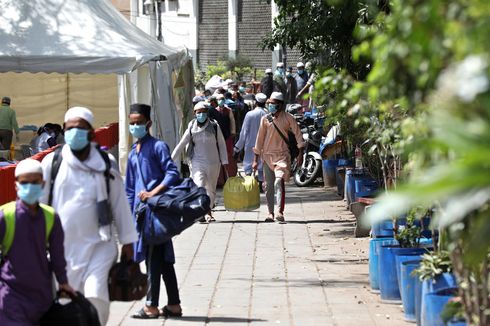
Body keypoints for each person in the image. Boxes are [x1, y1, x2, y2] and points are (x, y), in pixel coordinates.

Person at [40, 106, 138, 325]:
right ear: (64, 130)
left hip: (99, 246)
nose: (75, 132)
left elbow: (119, 205)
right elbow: (40, 206)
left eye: (80, 128)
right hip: (61, 251)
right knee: (65, 306)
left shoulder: (105, 163)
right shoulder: (52, 163)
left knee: (97, 298)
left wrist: (128, 243)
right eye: (70, 128)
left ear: (91, 132)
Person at [0, 159, 75, 325]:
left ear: (43, 184)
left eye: (35, 182)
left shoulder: (51, 217)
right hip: (11, 297)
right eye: (25, 183)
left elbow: (57, 255)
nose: (30, 186)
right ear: (16, 185)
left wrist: (63, 282)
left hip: (42, 298)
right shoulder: (5, 215)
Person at [125, 103, 183, 319]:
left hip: (157, 213)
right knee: (164, 259)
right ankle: (174, 304)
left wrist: (152, 192)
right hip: (142, 216)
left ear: (148, 123)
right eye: (132, 123)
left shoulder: (158, 146)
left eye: (139, 123)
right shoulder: (132, 153)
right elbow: (130, 189)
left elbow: (172, 173)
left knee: (153, 259)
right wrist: (129, 219)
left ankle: (151, 306)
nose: (135, 126)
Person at [253, 92, 305, 223]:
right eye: (269, 103)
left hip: (282, 156)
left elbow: (299, 136)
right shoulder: (265, 119)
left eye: (274, 104)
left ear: (280, 105)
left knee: (278, 182)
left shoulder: (288, 118)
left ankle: (280, 212)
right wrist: (255, 159)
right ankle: (270, 213)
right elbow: (259, 139)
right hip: (267, 156)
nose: (271, 106)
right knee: (268, 186)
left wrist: (300, 154)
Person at [172, 102, 228, 222]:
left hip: (213, 162)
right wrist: (171, 159)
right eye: (199, 112)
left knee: (211, 190)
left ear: (207, 113)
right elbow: (182, 143)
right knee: (199, 185)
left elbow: (222, 144)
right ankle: (202, 214)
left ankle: (209, 211)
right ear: (195, 113)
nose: (201, 114)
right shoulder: (191, 126)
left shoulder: (214, 125)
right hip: (197, 162)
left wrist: (224, 161)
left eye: (203, 112)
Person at [234, 93, 268, 190]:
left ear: (255, 102)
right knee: (262, 164)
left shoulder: (250, 114)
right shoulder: (268, 115)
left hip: (250, 145)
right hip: (263, 145)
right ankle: (261, 184)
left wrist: (237, 148)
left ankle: (249, 183)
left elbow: (244, 132)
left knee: (248, 163)